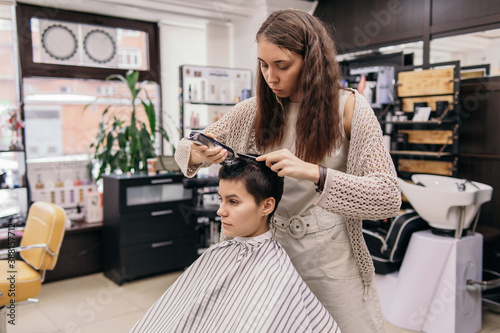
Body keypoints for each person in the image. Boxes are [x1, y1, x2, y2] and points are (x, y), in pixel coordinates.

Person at [175, 9, 401, 333]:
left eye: (282, 65)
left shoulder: (349, 108)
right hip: (269, 253)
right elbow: (185, 148)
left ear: (311, 62)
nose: (271, 77)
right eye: (263, 65)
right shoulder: (254, 111)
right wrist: (199, 152)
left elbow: (387, 196)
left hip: (329, 255)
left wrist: (316, 174)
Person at [130, 156, 340, 333]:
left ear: (266, 205)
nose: (220, 211)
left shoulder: (277, 273)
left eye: (233, 202)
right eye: (221, 199)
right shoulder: (219, 253)